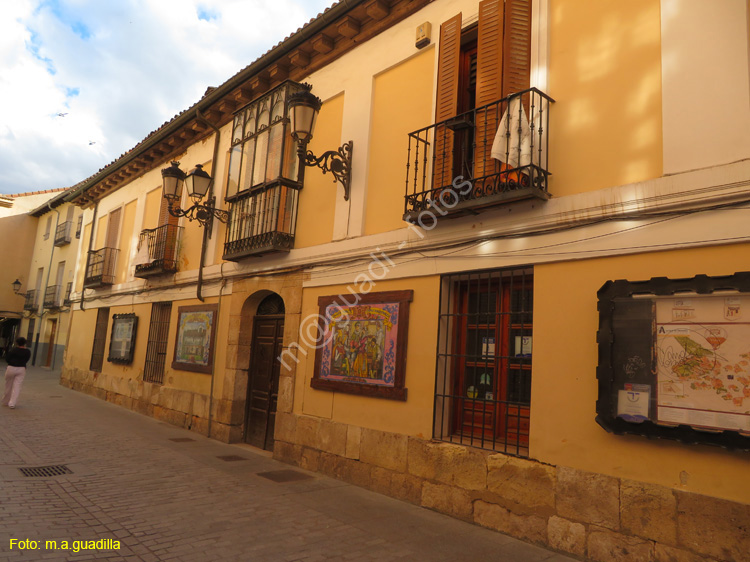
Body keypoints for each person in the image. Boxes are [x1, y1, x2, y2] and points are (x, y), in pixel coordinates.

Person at [2, 337, 31, 409]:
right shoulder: (27, 351)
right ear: (24, 343)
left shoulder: (13, 350)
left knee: (8, 385)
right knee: (17, 386)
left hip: (11, 368)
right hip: (21, 368)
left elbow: (7, 359)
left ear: (17, 343)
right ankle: (12, 403)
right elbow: (27, 359)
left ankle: (5, 401)